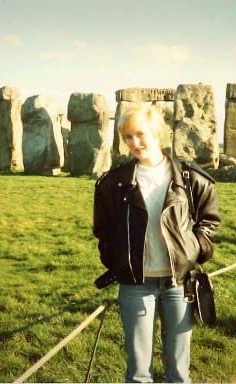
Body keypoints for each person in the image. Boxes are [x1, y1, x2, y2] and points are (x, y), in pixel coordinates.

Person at [93, 102, 220, 383]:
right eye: (127, 136)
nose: (134, 142)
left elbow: (209, 223)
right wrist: (115, 257)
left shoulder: (191, 179)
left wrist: (195, 250)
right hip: (135, 284)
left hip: (178, 283)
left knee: (178, 371)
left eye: (140, 134)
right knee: (138, 373)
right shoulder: (113, 183)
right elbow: (103, 229)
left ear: (157, 132)